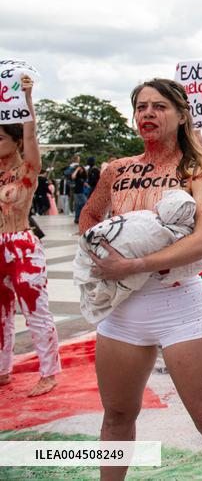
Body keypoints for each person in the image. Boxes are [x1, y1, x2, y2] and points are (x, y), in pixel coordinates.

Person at [79, 78, 202, 480]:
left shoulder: (198, 170)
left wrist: (134, 265)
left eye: (159, 107)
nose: (148, 114)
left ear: (181, 115)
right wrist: (101, 250)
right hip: (122, 311)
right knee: (117, 417)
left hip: (179, 305)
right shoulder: (116, 170)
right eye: (141, 107)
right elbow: (88, 220)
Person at [0, 75, 61, 397]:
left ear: (15, 141)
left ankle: (49, 372)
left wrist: (27, 98)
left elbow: (31, 134)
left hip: (21, 245)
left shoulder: (27, 170)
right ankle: (2, 369)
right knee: (1, 314)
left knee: (35, 311)